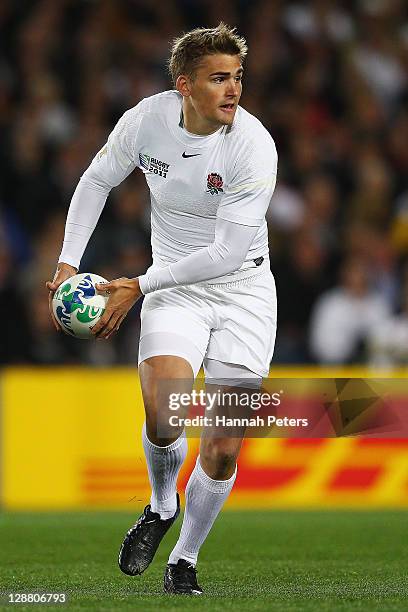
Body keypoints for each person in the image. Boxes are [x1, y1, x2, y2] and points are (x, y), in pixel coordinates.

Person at [46, 23, 278, 595]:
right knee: (166, 414)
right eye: (219, 79)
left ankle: (184, 560)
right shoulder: (145, 121)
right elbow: (97, 179)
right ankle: (159, 504)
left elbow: (226, 252)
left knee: (223, 446)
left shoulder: (253, 146)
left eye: (238, 77)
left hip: (242, 290)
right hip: (174, 289)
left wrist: (140, 286)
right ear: (185, 86)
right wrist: (67, 262)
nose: (233, 90)